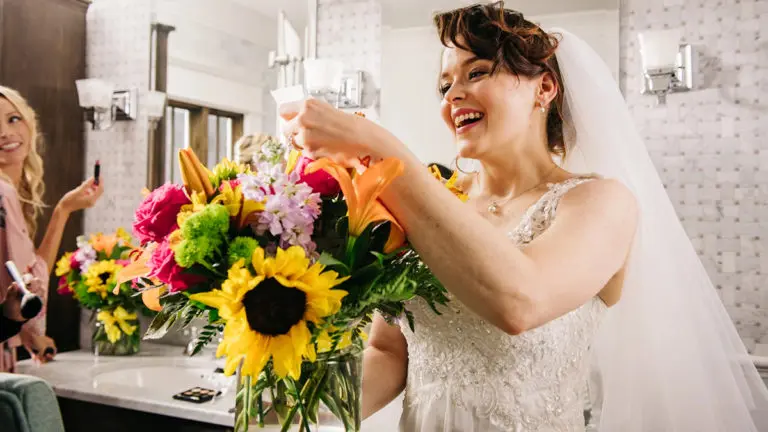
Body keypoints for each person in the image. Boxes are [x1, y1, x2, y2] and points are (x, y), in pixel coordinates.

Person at [278, 2, 768, 431]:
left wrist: (385, 150)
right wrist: (303, 411)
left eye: (478, 72)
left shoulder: (601, 203)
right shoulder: (431, 196)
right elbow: (389, 351)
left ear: (545, 88)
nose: (452, 95)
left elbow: (520, 303)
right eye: (446, 83)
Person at [0, 86, 104, 371]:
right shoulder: (2, 194)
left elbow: (26, 279)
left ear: (28, 121)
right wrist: (30, 332)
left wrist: (63, 210)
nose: (6, 133)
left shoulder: (11, 193)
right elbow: (30, 291)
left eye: (12, 119)